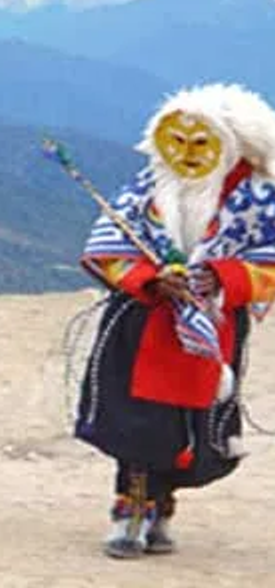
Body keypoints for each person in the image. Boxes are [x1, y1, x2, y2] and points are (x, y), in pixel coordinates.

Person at [74, 83, 275, 559]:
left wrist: (219, 277)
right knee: (136, 419)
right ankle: (131, 510)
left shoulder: (257, 199)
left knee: (187, 423)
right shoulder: (146, 188)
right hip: (141, 319)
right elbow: (108, 248)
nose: (187, 154)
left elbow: (268, 265)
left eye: (201, 143)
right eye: (177, 141)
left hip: (212, 324)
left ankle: (161, 504)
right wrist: (148, 279)